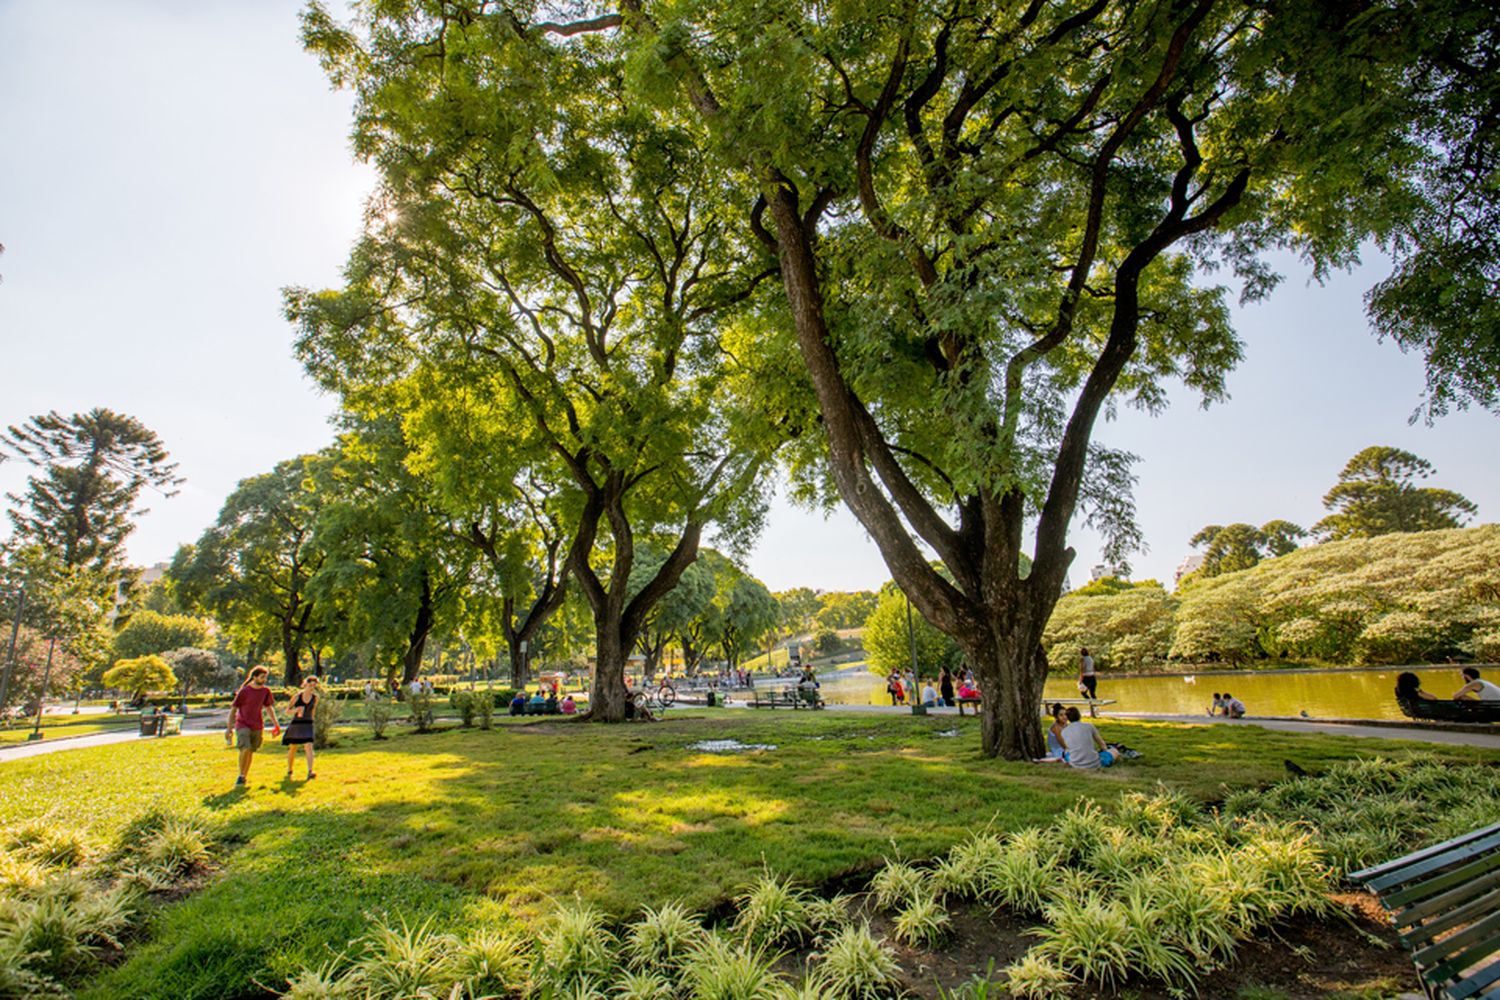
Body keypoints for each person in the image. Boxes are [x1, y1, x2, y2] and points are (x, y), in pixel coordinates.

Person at [226, 667, 281, 787]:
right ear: (255, 677)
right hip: (242, 723)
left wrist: (276, 724)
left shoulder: (265, 691)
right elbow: (233, 709)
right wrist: (229, 728)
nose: (264, 679)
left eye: (265, 677)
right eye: (262, 677)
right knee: (245, 748)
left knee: (250, 750)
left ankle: (244, 775)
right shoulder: (245, 691)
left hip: (257, 725)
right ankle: (240, 775)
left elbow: (269, 708)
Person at [282, 676, 319, 780]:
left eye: (314, 686)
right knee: (293, 747)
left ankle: (310, 771)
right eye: (310, 685)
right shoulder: (297, 697)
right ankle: (289, 769)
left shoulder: (315, 698)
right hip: (297, 724)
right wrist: (296, 710)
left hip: (307, 723)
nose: (312, 688)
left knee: (309, 746)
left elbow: (313, 712)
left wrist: (313, 722)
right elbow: (287, 710)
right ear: (305, 684)